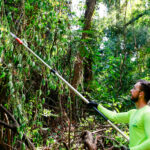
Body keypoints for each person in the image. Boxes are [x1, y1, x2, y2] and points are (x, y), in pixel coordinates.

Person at [88, 79, 150, 150]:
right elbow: (114, 116)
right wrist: (98, 106)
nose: (131, 90)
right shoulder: (133, 113)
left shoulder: (147, 113)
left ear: (141, 94)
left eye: (134, 88)